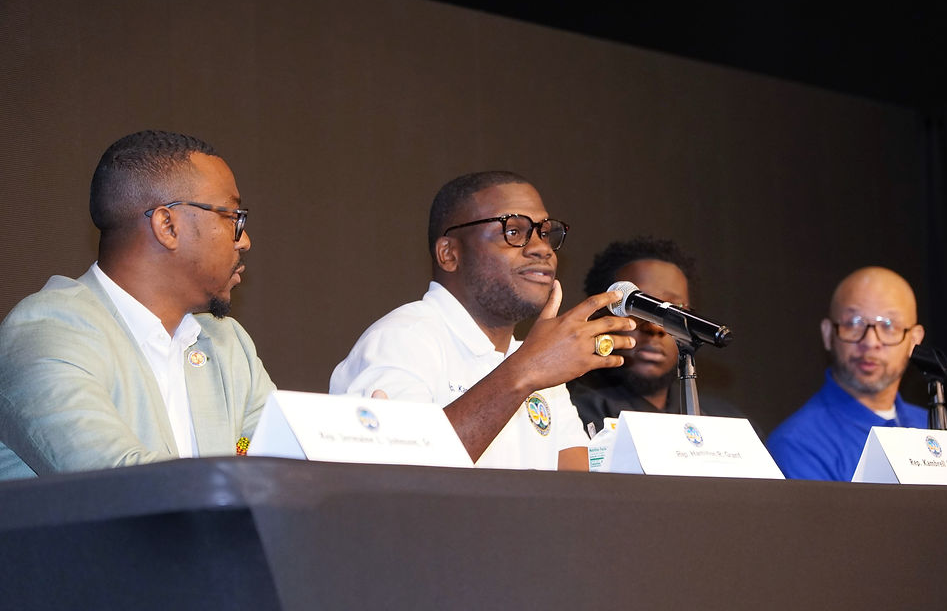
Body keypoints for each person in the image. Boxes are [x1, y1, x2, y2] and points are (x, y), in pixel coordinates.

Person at [0, 130, 275, 480]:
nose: (245, 240)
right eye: (231, 216)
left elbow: (278, 463)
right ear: (167, 225)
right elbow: (120, 486)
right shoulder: (46, 333)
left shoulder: (227, 343)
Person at [330, 171, 636, 470]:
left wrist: (529, 365)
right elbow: (404, 477)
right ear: (449, 254)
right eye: (513, 231)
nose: (542, 248)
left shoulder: (532, 359)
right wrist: (527, 369)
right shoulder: (401, 340)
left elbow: (577, 495)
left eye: (545, 233)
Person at [567, 236, 743, 435]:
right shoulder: (568, 413)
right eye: (639, 307)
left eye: (674, 309)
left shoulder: (723, 424)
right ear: (600, 314)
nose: (655, 327)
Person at [766, 266, 927, 481]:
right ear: (827, 334)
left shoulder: (934, 431)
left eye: (889, 325)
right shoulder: (799, 444)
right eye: (854, 323)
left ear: (914, 340)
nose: (870, 342)